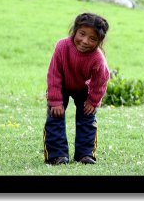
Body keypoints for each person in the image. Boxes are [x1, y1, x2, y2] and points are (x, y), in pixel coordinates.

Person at [43, 12, 110, 165]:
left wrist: (93, 101)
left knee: (87, 118)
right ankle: (57, 155)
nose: (85, 41)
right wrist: (55, 100)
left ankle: (85, 155)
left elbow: (101, 80)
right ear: (75, 30)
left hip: (83, 88)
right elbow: (54, 74)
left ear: (99, 41)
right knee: (55, 117)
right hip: (61, 86)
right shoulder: (62, 46)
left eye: (93, 38)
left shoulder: (97, 58)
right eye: (82, 34)